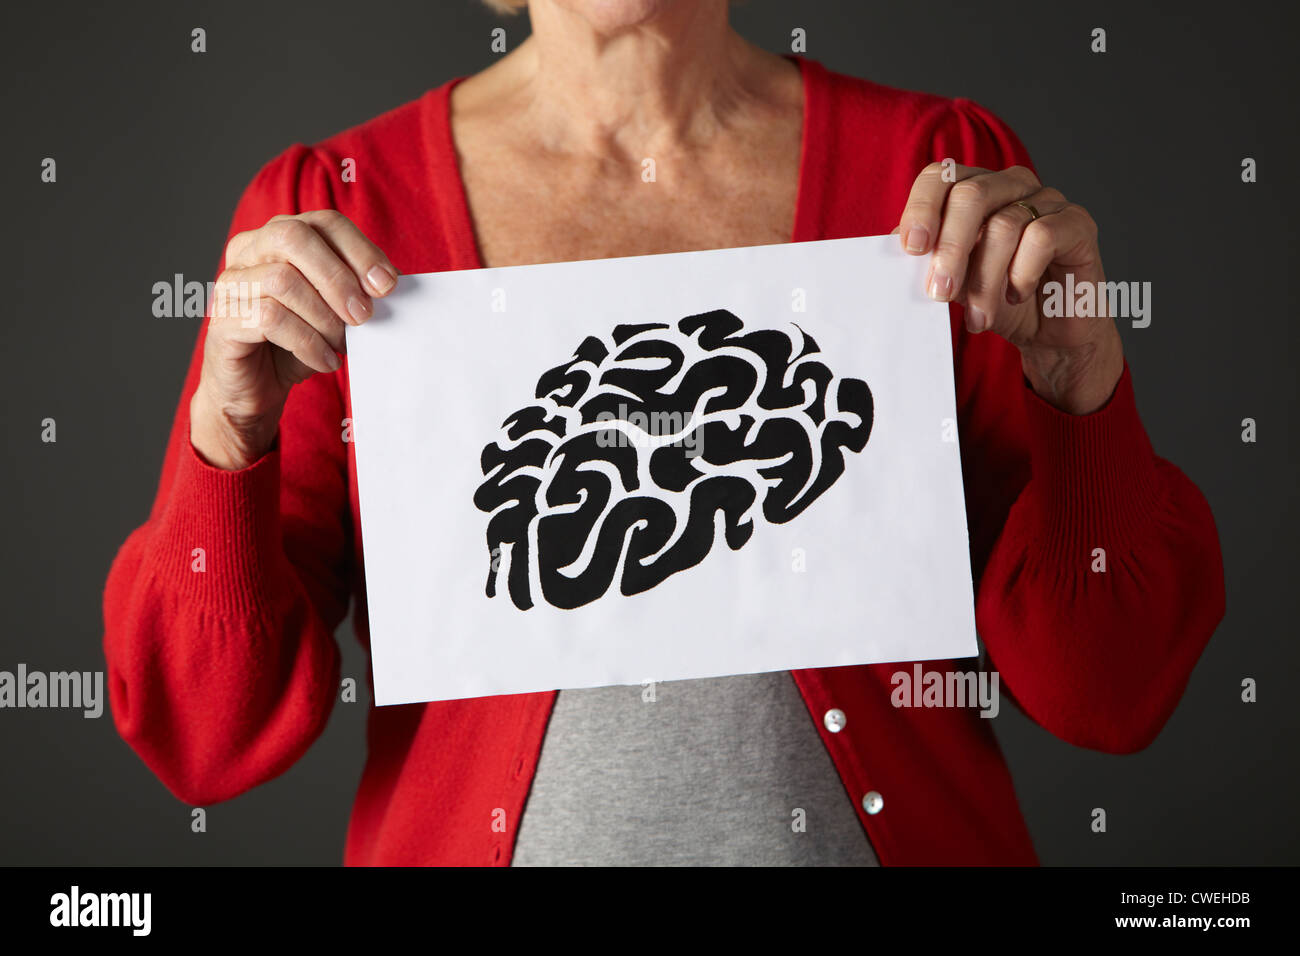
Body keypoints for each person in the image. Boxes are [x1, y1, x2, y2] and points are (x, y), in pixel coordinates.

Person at [103, 0, 1225, 865]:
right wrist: (226, 430)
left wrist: (1080, 379)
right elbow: (208, 735)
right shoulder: (335, 206)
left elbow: (1110, 693)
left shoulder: (933, 178)